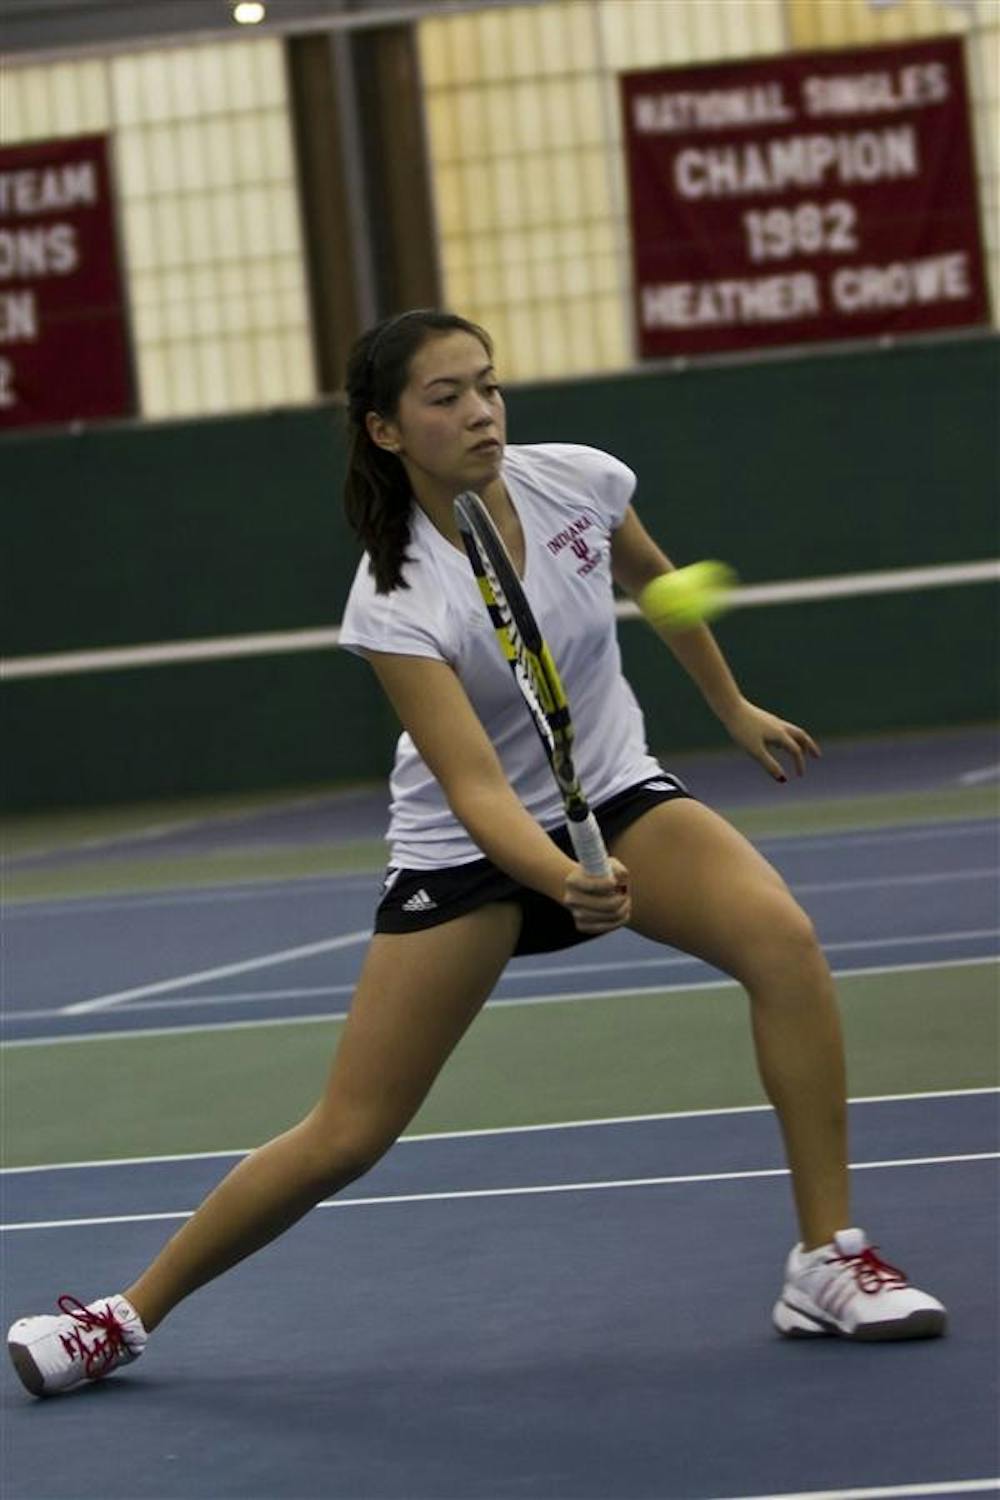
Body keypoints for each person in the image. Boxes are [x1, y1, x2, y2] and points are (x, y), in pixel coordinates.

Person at [7, 309, 946, 1399]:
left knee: (783, 946)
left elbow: (656, 583)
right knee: (350, 1133)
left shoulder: (580, 482)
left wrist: (728, 705)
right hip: (469, 849)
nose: (480, 412)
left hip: (613, 787)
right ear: (387, 430)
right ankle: (122, 1318)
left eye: (487, 386)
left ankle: (824, 1259)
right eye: (444, 396)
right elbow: (474, 786)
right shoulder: (395, 597)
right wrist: (560, 878)